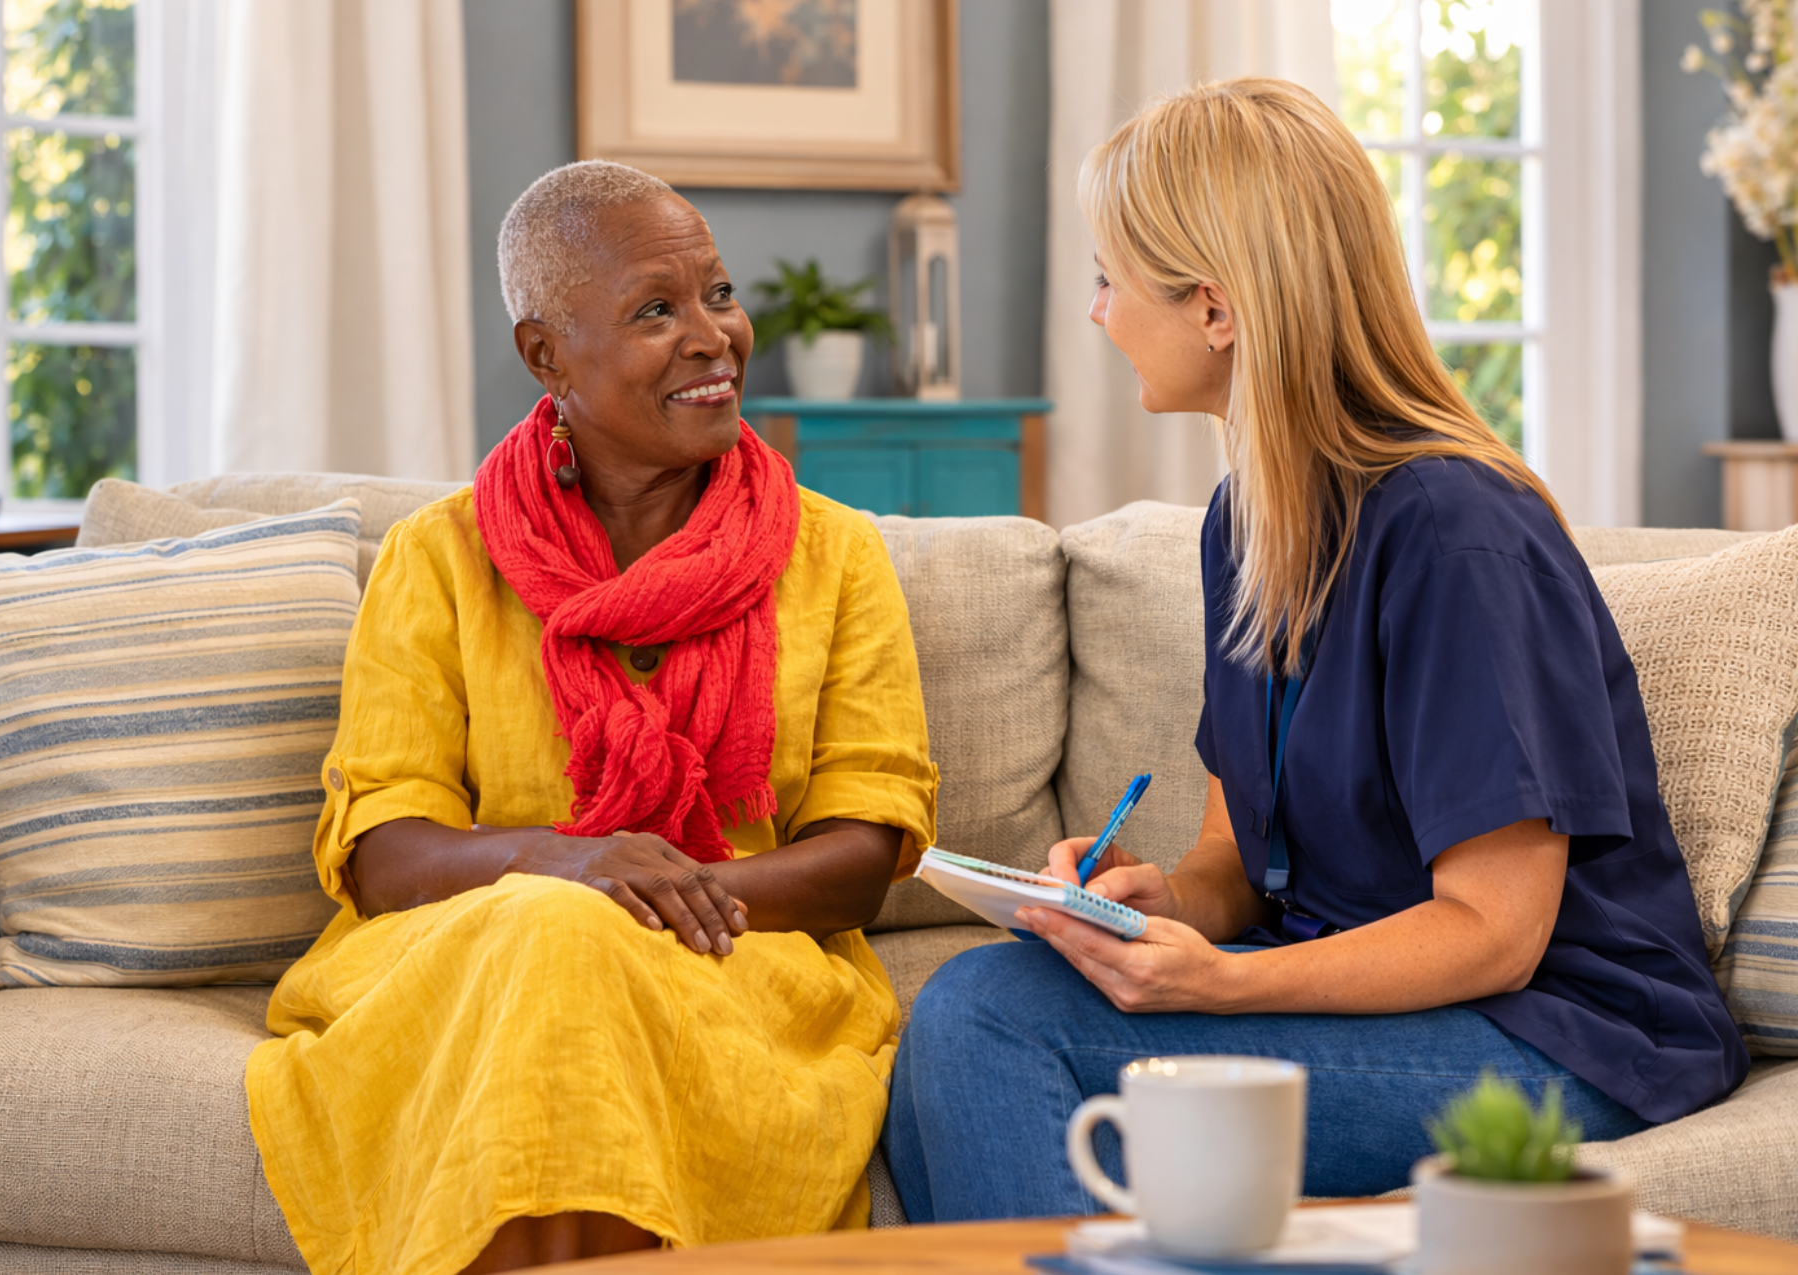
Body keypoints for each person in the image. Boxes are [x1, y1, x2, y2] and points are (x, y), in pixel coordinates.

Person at [883, 79, 1749, 1219]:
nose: (1097, 314)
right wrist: (1154, 911)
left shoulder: (1455, 527)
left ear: (1216, 309)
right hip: (1384, 1005)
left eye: (1110, 279)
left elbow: (1496, 932)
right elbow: (1237, 864)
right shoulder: (1246, 523)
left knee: (985, 1019)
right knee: (979, 999)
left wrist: (1225, 988)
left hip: (1556, 1037)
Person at [246, 160, 938, 1273]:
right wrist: (566, 868)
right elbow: (383, 852)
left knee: (571, 949)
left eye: (717, 294)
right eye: (656, 311)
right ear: (545, 355)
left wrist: (641, 902)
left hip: (738, 961)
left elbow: (861, 857)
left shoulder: (835, 555)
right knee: (553, 942)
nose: (714, 336)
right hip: (476, 959)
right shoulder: (441, 557)